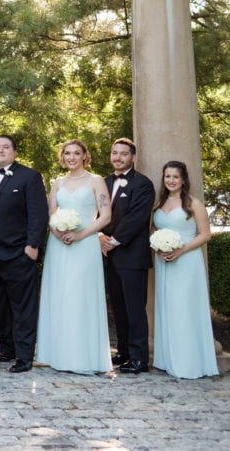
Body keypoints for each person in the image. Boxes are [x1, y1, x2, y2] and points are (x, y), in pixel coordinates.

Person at [36, 139, 112, 374]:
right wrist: (57, 231)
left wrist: (81, 235)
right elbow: (50, 212)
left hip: (85, 244)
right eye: (67, 153)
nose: (71, 157)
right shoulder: (58, 182)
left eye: (76, 153)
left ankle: (83, 356)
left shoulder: (96, 181)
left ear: (84, 156)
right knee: (60, 295)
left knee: (81, 296)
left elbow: (105, 216)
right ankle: (58, 354)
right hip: (59, 246)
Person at [0, 135, 48, 373]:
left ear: (14, 152)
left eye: (6, 147)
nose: (1, 150)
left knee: (23, 306)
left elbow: (38, 214)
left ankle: (25, 356)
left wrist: (32, 245)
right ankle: (7, 348)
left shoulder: (30, 176)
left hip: (18, 252)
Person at [151, 161, 218, 379]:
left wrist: (180, 250)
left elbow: (205, 234)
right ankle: (168, 359)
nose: (170, 180)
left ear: (183, 180)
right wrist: (158, 246)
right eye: (167, 176)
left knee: (184, 309)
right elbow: (153, 229)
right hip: (164, 261)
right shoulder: (159, 203)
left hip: (187, 262)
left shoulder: (193, 203)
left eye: (175, 177)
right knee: (168, 308)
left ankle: (189, 362)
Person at [99, 138, 155, 374]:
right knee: (118, 307)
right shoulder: (103, 182)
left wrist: (113, 241)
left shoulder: (142, 184)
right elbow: (95, 212)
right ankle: (122, 351)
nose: (118, 157)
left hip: (131, 256)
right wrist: (99, 235)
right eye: (115, 153)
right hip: (107, 255)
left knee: (134, 307)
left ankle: (139, 358)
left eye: (124, 154)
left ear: (133, 157)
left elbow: (136, 217)